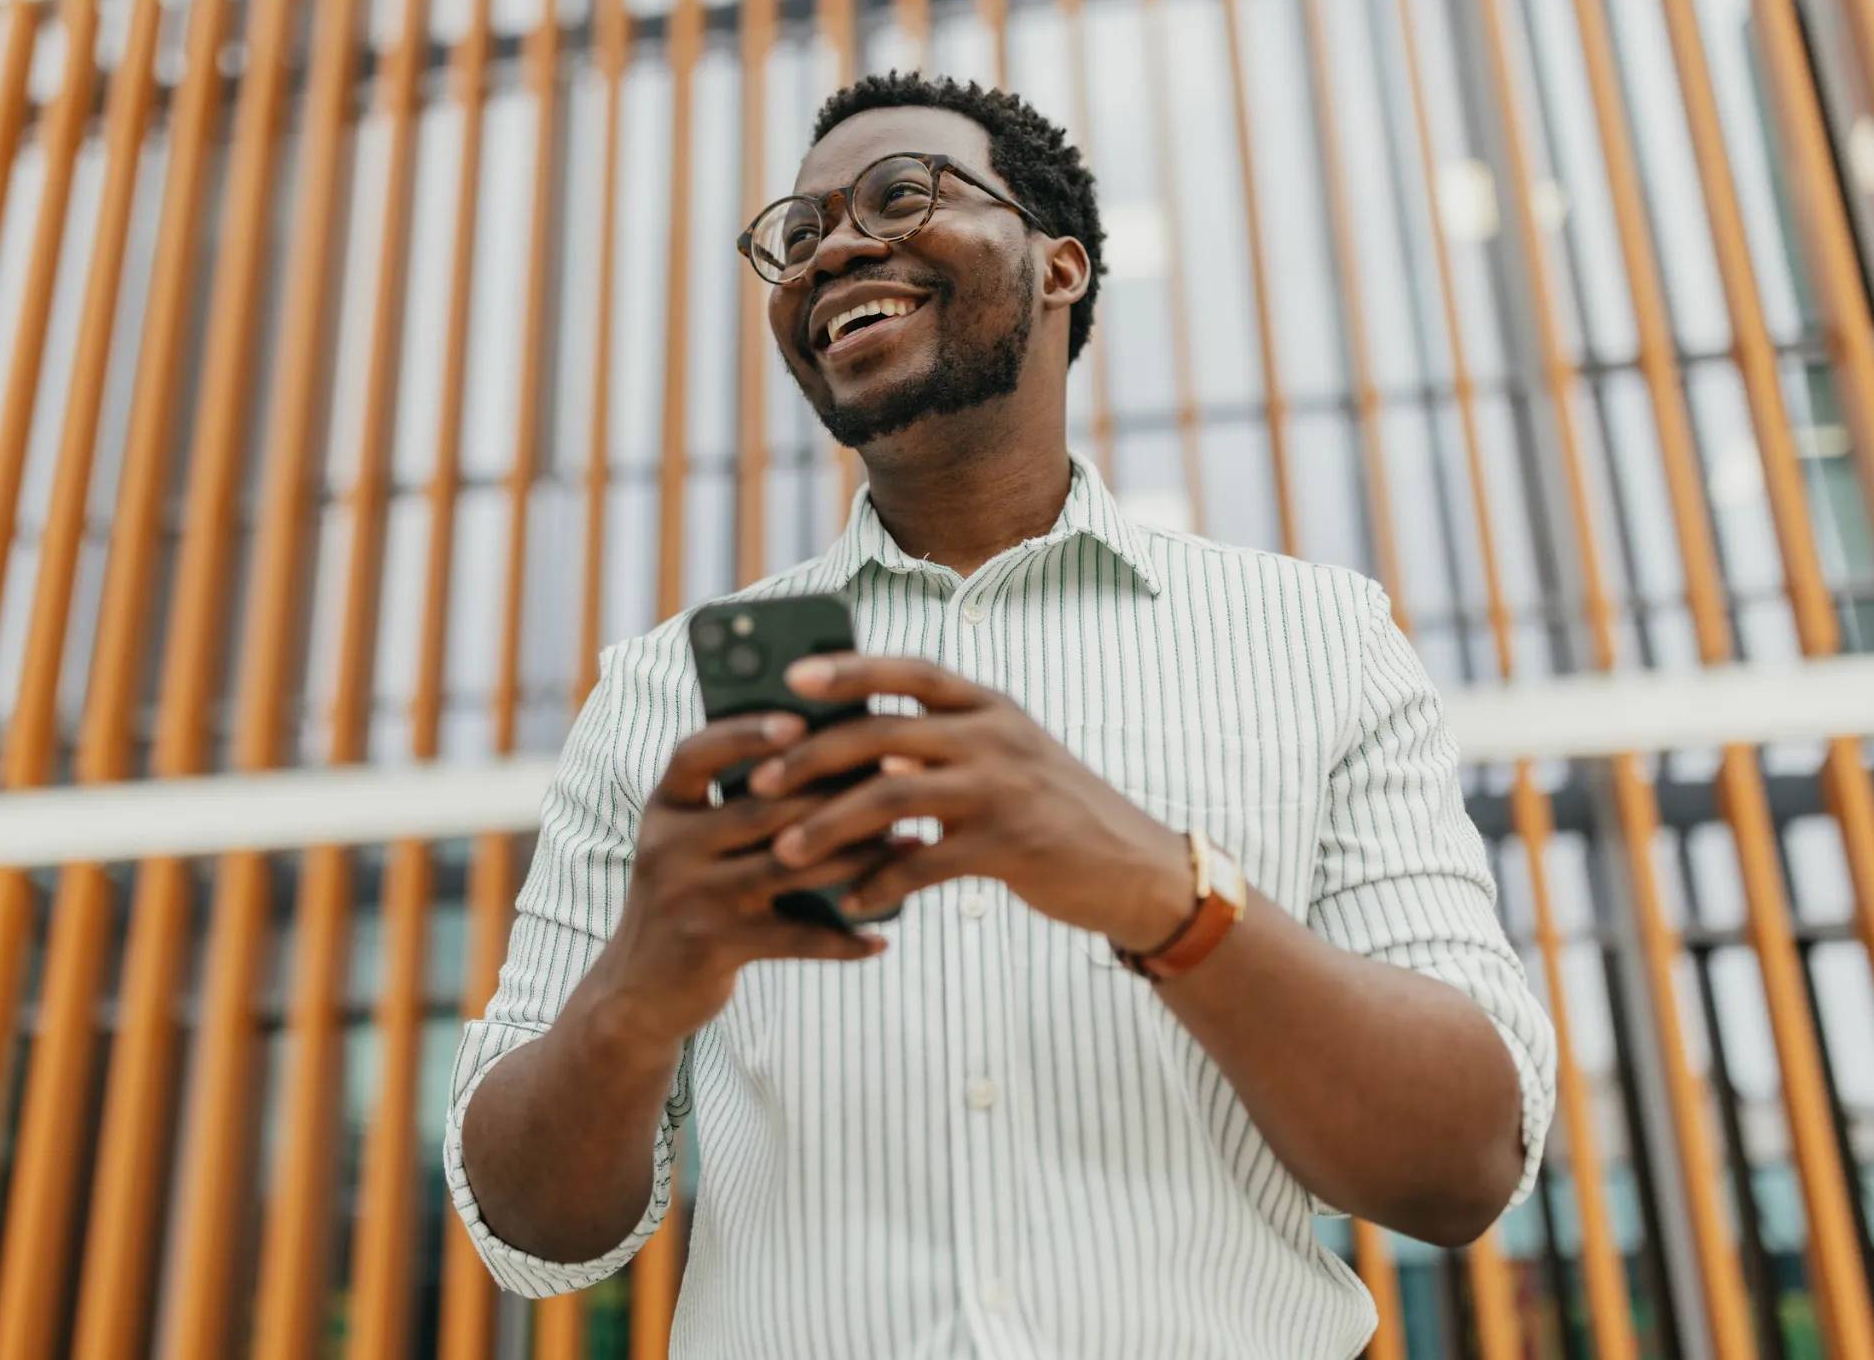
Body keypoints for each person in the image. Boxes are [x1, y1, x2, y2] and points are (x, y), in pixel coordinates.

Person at [445, 72, 1556, 1358]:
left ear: (1059, 265)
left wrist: (1162, 891)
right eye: (795, 238)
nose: (837, 249)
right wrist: (638, 990)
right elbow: (530, 1234)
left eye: (900, 194)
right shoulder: (660, 691)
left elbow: (1465, 1161)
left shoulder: (1321, 637)